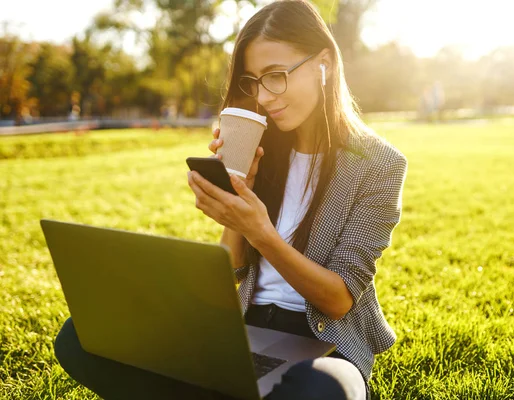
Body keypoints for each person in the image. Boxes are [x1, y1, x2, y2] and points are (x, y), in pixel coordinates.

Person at [53, 1, 408, 399]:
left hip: (323, 343)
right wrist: (236, 200)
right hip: (242, 327)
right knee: (81, 334)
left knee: (321, 389)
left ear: (323, 62)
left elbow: (339, 299)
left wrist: (260, 232)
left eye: (276, 76)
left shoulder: (379, 164)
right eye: (252, 81)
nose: (264, 95)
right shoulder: (260, 147)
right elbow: (234, 271)